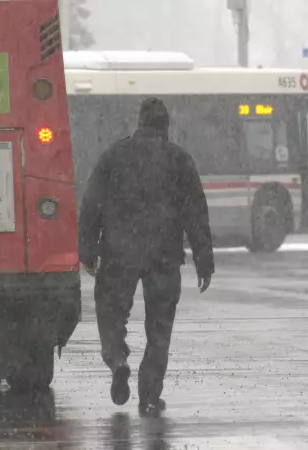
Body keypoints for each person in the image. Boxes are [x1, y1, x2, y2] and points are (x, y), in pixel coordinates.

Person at [78, 97, 215, 416]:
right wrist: (203, 260)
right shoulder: (179, 159)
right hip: (164, 255)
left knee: (110, 313)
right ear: (166, 126)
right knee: (159, 327)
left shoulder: (114, 155)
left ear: (139, 123)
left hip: (119, 252)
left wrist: (88, 250)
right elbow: (196, 213)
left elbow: (91, 204)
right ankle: (150, 394)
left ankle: (117, 360)